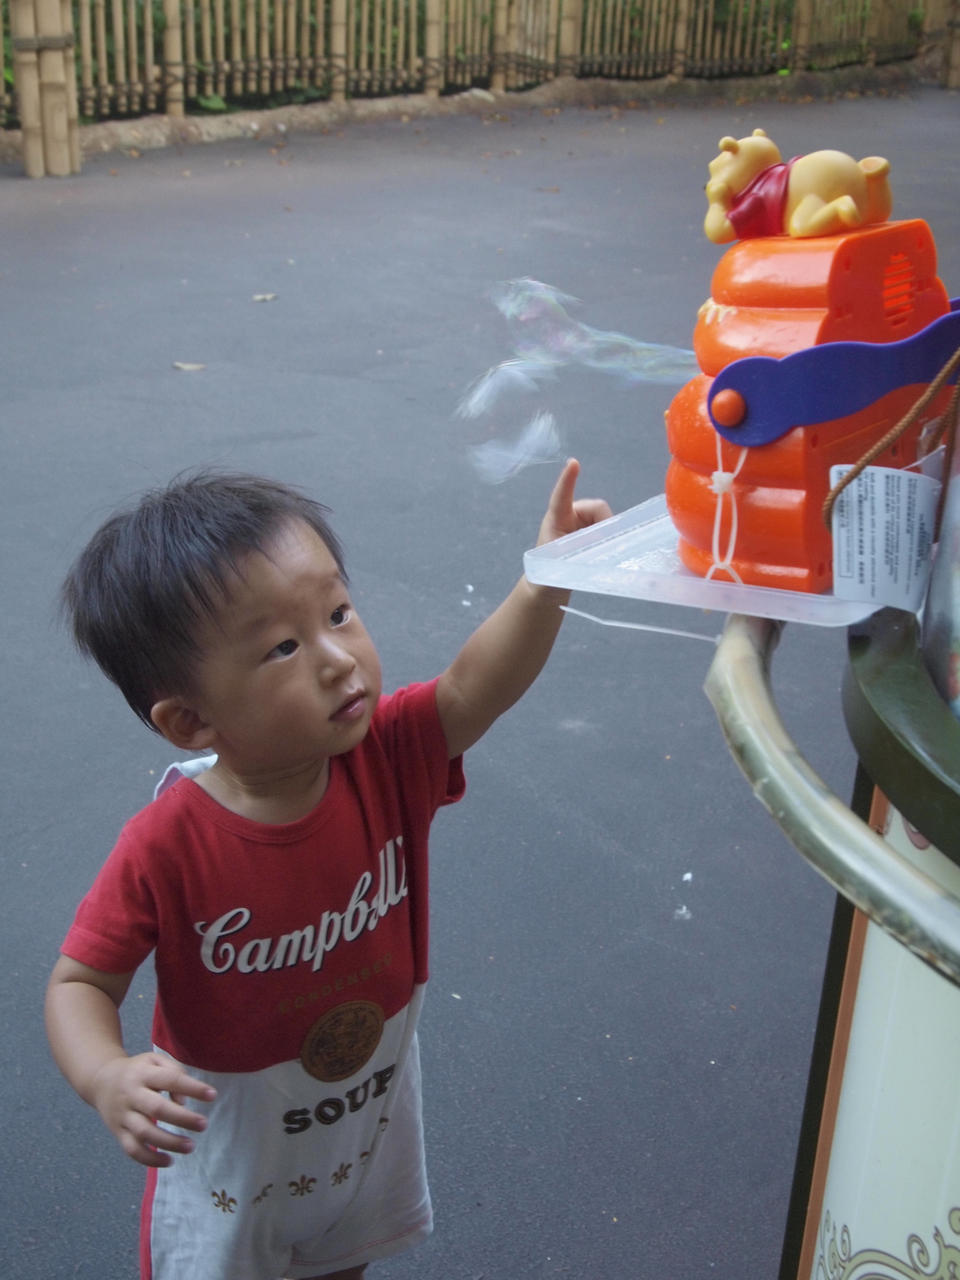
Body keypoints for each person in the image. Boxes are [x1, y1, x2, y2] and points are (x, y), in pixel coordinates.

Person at [45, 462, 611, 1280]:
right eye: (282, 648)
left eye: (339, 613)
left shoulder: (387, 756)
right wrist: (106, 1075)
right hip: (234, 1155)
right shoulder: (168, 845)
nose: (340, 659)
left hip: (362, 1118)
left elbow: (472, 690)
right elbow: (79, 983)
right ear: (191, 720)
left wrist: (545, 580)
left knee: (344, 1261)